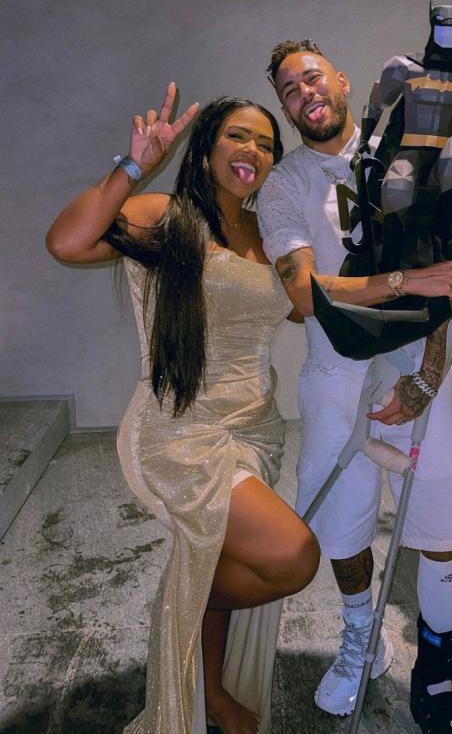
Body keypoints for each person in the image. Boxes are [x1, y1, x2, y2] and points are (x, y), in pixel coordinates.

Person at [46, 84, 320, 734]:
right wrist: (134, 164)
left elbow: (307, 305)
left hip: (257, 428)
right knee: (292, 557)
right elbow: (67, 243)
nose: (253, 149)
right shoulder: (165, 214)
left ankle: (213, 692)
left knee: (220, 555)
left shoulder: (267, 232)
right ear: (205, 149)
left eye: (265, 143)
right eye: (237, 135)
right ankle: (183, 606)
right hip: (181, 432)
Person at [257, 41, 452, 734]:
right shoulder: (284, 185)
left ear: (341, 80)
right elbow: (304, 293)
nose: (304, 92)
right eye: (289, 89)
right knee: (341, 530)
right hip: (335, 367)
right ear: (286, 107)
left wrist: (427, 376)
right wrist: (402, 281)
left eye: (312, 76)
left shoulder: (408, 148)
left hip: (420, 360)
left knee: (444, 522)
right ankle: (362, 639)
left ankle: (438, 671)